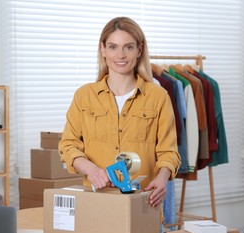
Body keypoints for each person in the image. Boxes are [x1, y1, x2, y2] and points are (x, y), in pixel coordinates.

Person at [58, 17, 180, 207]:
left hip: (143, 204)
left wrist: (163, 178)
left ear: (139, 50)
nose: (120, 55)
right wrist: (92, 170)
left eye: (128, 47)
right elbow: (68, 146)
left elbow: (168, 152)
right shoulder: (84, 96)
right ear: (103, 49)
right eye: (113, 47)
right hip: (97, 202)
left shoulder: (159, 97)